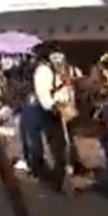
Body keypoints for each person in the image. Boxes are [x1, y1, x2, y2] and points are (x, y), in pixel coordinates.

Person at [32, 40, 84, 191]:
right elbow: (43, 93)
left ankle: (71, 171)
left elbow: (77, 81)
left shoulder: (68, 68)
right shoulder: (44, 71)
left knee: (69, 143)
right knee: (58, 145)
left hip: (68, 109)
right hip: (53, 112)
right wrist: (53, 106)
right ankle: (60, 177)